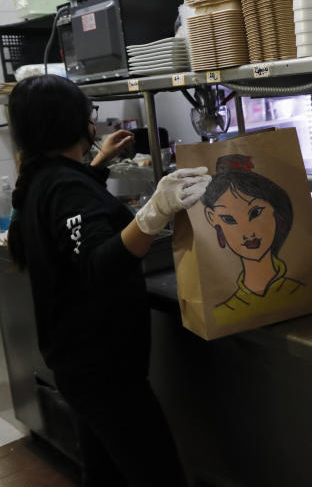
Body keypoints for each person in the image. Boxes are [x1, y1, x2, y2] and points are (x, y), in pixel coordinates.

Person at [6, 74, 211, 487]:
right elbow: (99, 262)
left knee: (105, 474)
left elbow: (68, 217)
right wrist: (155, 212)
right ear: (74, 124)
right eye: (89, 114)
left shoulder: (43, 177)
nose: (93, 122)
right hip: (102, 371)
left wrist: (95, 167)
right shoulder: (63, 186)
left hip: (76, 363)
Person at [203, 154, 309, 325]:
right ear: (212, 218)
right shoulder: (221, 313)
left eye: (255, 213)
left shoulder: (305, 291)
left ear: (276, 210)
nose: (248, 233)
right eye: (229, 219)